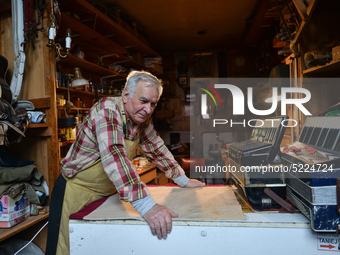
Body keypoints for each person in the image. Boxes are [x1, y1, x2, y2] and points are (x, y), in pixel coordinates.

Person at [46, 70, 205, 255]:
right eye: (143, 101)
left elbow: (157, 149)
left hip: (106, 195)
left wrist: (183, 180)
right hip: (75, 192)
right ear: (125, 95)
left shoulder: (142, 120)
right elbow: (114, 155)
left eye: (153, 104)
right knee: (65, 249)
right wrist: (148, 207)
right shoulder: (107, 109)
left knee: (95, 247)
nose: (148, 109)